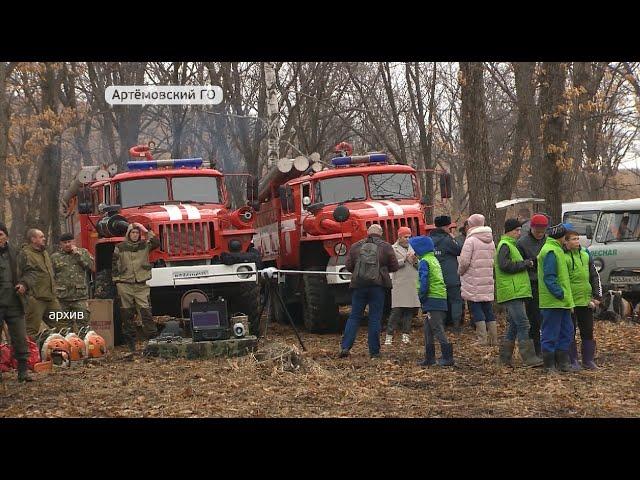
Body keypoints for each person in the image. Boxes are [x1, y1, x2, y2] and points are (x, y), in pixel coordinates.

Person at [339, 224, 399, 359]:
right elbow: (394, 266)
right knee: (374, 318)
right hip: (377, 287)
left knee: (354, 316)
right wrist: (382, 270)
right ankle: (374, 352)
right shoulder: (386, 246)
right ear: (381, 233)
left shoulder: (355, 246)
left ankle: (345, 347)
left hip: (358, 286)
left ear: (367, 233)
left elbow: (349, 266)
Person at [495, 219, 542, 367]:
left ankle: (504, 358)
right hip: (512, 291)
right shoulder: (505, 245)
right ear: (509, 231)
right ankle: (529, 358)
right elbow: (504, 265)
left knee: (514, 326)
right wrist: (525, 264)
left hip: (516, 291)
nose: (519, 233)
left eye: (520, 230)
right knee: (523, 324)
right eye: (516, 230)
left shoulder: (511, 245)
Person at [112, 222, 160, 352]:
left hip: (140, 285)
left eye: (137, 233)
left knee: (146, 313)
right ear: (128, 234)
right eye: (132, 232)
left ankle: (153, 342)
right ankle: (131, 345)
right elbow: (114, 265)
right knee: (127, 315)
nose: (135, 235)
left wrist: (145, 230)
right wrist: (117, 282)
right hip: (125, 284)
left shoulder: (144, 246)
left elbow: (156, 243)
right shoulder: (120, 247)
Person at [410, 235, 453, 366]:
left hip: (432, 298)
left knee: (437, 328)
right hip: (439, 297)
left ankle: (448, 357)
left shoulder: (425, 261)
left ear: (420, 249)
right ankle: (430, 358)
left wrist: (422, 297)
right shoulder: (432, 259)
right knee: (428, 329)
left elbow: (424, 281)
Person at [537, 224, 575, 373]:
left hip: (562, 301)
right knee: (550, 333)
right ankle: (549, 365)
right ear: (562, 237)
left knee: (566, 331)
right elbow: (550, 277)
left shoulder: (557, 249)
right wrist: (559, 293)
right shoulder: (551, 251)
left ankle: (562, 363)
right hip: (553, 301)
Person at [564, 229, 602, 370]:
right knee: (570, 331)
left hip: (586, 301)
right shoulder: (564, 257)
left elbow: (594, 275)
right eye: (573, 239)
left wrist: (597, 296)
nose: (576, 242)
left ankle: (588, 360)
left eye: (577, 239)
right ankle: (572, 360)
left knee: (588, 330)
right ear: (566, 241)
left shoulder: (585, 255)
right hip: (571, 301)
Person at [458, 214, 497, 345]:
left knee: (476, 308)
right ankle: (494, 338)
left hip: (473, 279)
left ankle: (482, 339)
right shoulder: (490, 240)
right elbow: (493, 259)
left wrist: (460, 272)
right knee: (488, 308)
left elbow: (464, 262)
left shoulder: (470, 241)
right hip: (487, 278)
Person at [0, 223, 33, 382]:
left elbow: (29, 273)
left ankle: (23, 371)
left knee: (20, 337)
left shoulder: (18, 253)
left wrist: (24, 285)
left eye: (0, 234)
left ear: (6, 236)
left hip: (14, 301)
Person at [17, 229, 61, 337]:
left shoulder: (44, 252)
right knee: (31, 330)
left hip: (50, 298)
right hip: (35, 299)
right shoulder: (25, 254)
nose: (44, 238)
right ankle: (29, 353)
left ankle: (58, 350)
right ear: (33, 239)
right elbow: (18, 273)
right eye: (41, 237)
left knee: (62, 325)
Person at [516, 213, 548, 356]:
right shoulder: (522, 243)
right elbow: (519, 263)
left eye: (543, 231)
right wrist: (531, 262)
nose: (540, 234)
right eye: (537, 231)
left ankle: (546, 347)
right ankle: (535, 349)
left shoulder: (548, 241)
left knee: (546, 318)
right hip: (532, 283)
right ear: (531, 228)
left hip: (546, 283)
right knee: (534, 319)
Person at [51, 233, 94, 331]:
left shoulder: (83, 252)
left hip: (79, 297)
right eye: (64, 243)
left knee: (83, 326)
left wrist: (77, 254)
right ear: (60, 244)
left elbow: (90, 266)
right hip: (63, 299)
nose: (67, 244)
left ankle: (84, 345)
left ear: (74, 242)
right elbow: (51, 275)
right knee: (64, 327)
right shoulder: (55, 257)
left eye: (69, 242)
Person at [385, 227, 420, 346]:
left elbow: (420, 266)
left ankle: (406, 335)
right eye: (405, 237)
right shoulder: (392, 248)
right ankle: (389, 336)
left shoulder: (414, 248)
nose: (408, 239)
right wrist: (404, 260)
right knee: (396, 311)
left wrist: (415, 261)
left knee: (409, 311)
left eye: (409, 236)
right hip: (399, 283)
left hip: (412, 283)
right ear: (399, 237)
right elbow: (391, 265)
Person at [430, 215, 463, 332]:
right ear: (446, 226)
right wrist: (454, 238)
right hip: (451, 277)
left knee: (440, 302)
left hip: (435, 278)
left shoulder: (429, 240)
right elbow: (459, 250)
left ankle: (440, 325)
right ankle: (456, 326)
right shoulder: (448, 240)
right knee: (456, 301)